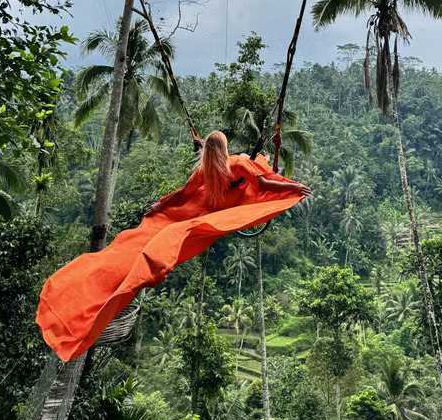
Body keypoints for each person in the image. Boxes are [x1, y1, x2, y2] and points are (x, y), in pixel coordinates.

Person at [36, 131, 311, 362]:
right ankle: (281, 174)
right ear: (225, 149)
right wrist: (295, 187)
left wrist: (161, 205)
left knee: (143, 240)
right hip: (225, 207)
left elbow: (182, 194)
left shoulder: (205, 170)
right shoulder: (238, 163)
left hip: (206, 208)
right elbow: (263, 182)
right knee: (261, 178)